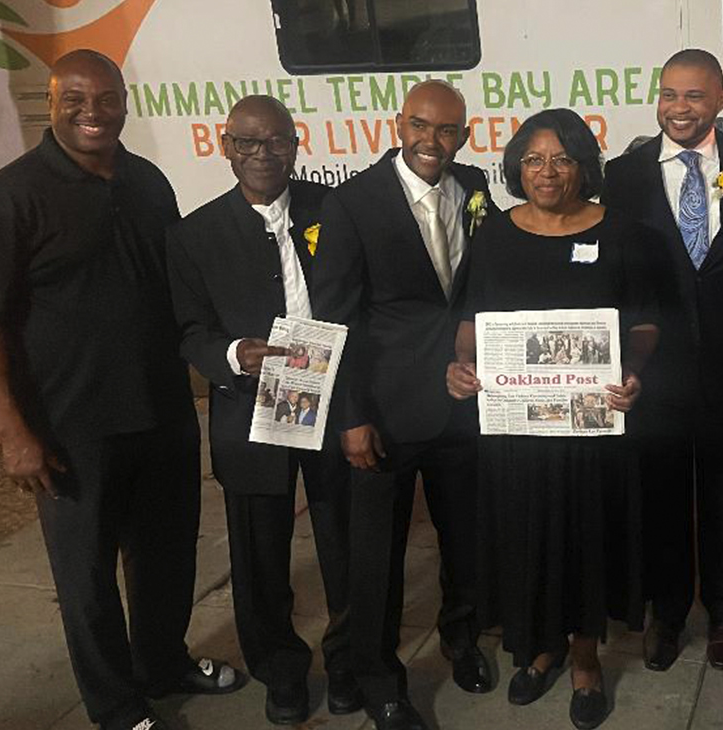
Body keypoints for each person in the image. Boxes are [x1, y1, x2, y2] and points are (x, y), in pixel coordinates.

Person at [0, 50, 241, 730]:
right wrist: (13, 434)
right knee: (86, 581)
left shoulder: (148, 184)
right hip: (70, 426)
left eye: (105, 97)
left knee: (167, 558)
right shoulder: (10, 196)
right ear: (51, 103)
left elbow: (177, 290)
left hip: (164, 411)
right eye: (74, 98)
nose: (92, 111)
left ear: (123, 103)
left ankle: (164, 664)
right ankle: (116, 707)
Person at [445, 107, 659, 730]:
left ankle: (586, 658)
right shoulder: (494, 235)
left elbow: (645, 324)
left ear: (583, 167)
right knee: (525, 538)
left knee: (584, 538)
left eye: (561, 159)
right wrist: (460, 370)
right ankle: (539, 649)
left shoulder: (623, 235)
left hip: (592, 429)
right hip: (516, 432)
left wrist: (632, 372)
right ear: (516, 167)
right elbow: (469, 327)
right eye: (533, 160)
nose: (546, 172)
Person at [164, 95, 357, 725]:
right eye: (247, 142)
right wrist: (229, 354)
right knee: (260, 554)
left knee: (346, 544)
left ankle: (352, 662)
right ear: (225, 147)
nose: (262, 154)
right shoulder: (194, 235)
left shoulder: (336, 210)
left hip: (334, 404)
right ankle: (281, 672)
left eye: (275, 141)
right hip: (250, 411)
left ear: (296, 144)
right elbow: (189, 329)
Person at [309, 80, 495, 730]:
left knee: (466, 538)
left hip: (460, 403)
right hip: (383, 412)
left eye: (446, 130)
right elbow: (334, 321)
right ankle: (380, 681)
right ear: (398, 124)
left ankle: (462, 638)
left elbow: (478, 287)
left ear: (464, 136)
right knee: (376, 558)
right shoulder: (352, 203)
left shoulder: (475, 188)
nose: (431, 141)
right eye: (420, 125)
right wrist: (351, 416)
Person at [603, 48, 723, 672]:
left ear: (721, 100)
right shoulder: (622, 175)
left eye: (695, 96)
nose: (680, 108)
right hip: (652, 372)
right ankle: (669, 612)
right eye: (670, 95)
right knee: (658, 497)